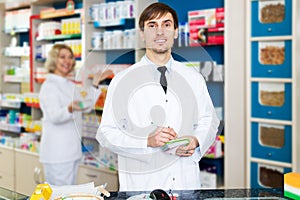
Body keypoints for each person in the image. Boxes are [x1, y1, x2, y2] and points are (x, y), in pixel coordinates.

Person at [96, 2, 220, 191]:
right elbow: (106, 134)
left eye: (166, 24)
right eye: (152, 25)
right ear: (142, 34)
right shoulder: (122, 81)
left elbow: (209, 120)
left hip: (184, 181)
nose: (160, 31)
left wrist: (196, 141)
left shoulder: (193, 77)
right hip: (142, 185)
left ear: (176, 32)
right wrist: (145, 141)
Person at [39, 43, 113, 186]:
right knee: (60, 195)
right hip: (57, 154)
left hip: (71, 151)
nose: (67, 61)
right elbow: (54, 116)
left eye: (70, 57)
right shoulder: (49, 86)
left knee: (69, 192)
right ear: (54, 60)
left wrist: (96, 84)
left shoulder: (69, 84)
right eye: (62, 57)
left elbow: (85, 105)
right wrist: (69, 108)